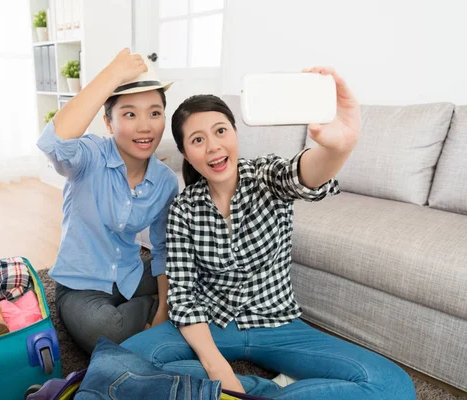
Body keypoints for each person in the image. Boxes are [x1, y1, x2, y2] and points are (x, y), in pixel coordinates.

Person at [122, 67, 417, 399]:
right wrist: (219, 370)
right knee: (120, 366)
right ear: (186, 152)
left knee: (393, 386)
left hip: (278, 326)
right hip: (211, 323)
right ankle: (259, 389)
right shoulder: (183, 208)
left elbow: (304, 176)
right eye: (198, 140)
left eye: (220, 131)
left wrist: (337, 148)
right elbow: (184, 298)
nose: (213, 147)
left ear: (235, 133)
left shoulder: (266, 176)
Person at [37, 48, 179, 354]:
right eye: (130, 114)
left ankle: (152, 308)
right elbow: (53, 142)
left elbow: (164, 249)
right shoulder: (89, 156)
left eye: (154, 113)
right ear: (108, 121)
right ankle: (146, 310)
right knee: (104, 330)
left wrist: (162, 312)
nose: (145, 126)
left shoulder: (165, 180)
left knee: (195, 272)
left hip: (129, 273)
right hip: (81, 284)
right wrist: (112, 73)